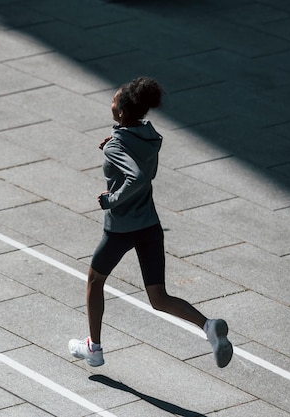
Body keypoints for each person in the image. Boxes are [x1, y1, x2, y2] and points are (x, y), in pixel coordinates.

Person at [69, 76, 233, 368]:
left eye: (114, 100)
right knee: (158, 296)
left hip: (120, 229)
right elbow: (143, 159)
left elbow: (137, 176)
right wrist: (117, 139)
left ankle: (94, 348)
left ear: (120, 112)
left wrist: (111, 198)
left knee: (95, 281)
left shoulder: (117, 146)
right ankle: (208, 327)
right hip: (150, 226)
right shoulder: (149, 136)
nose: (111, 101)